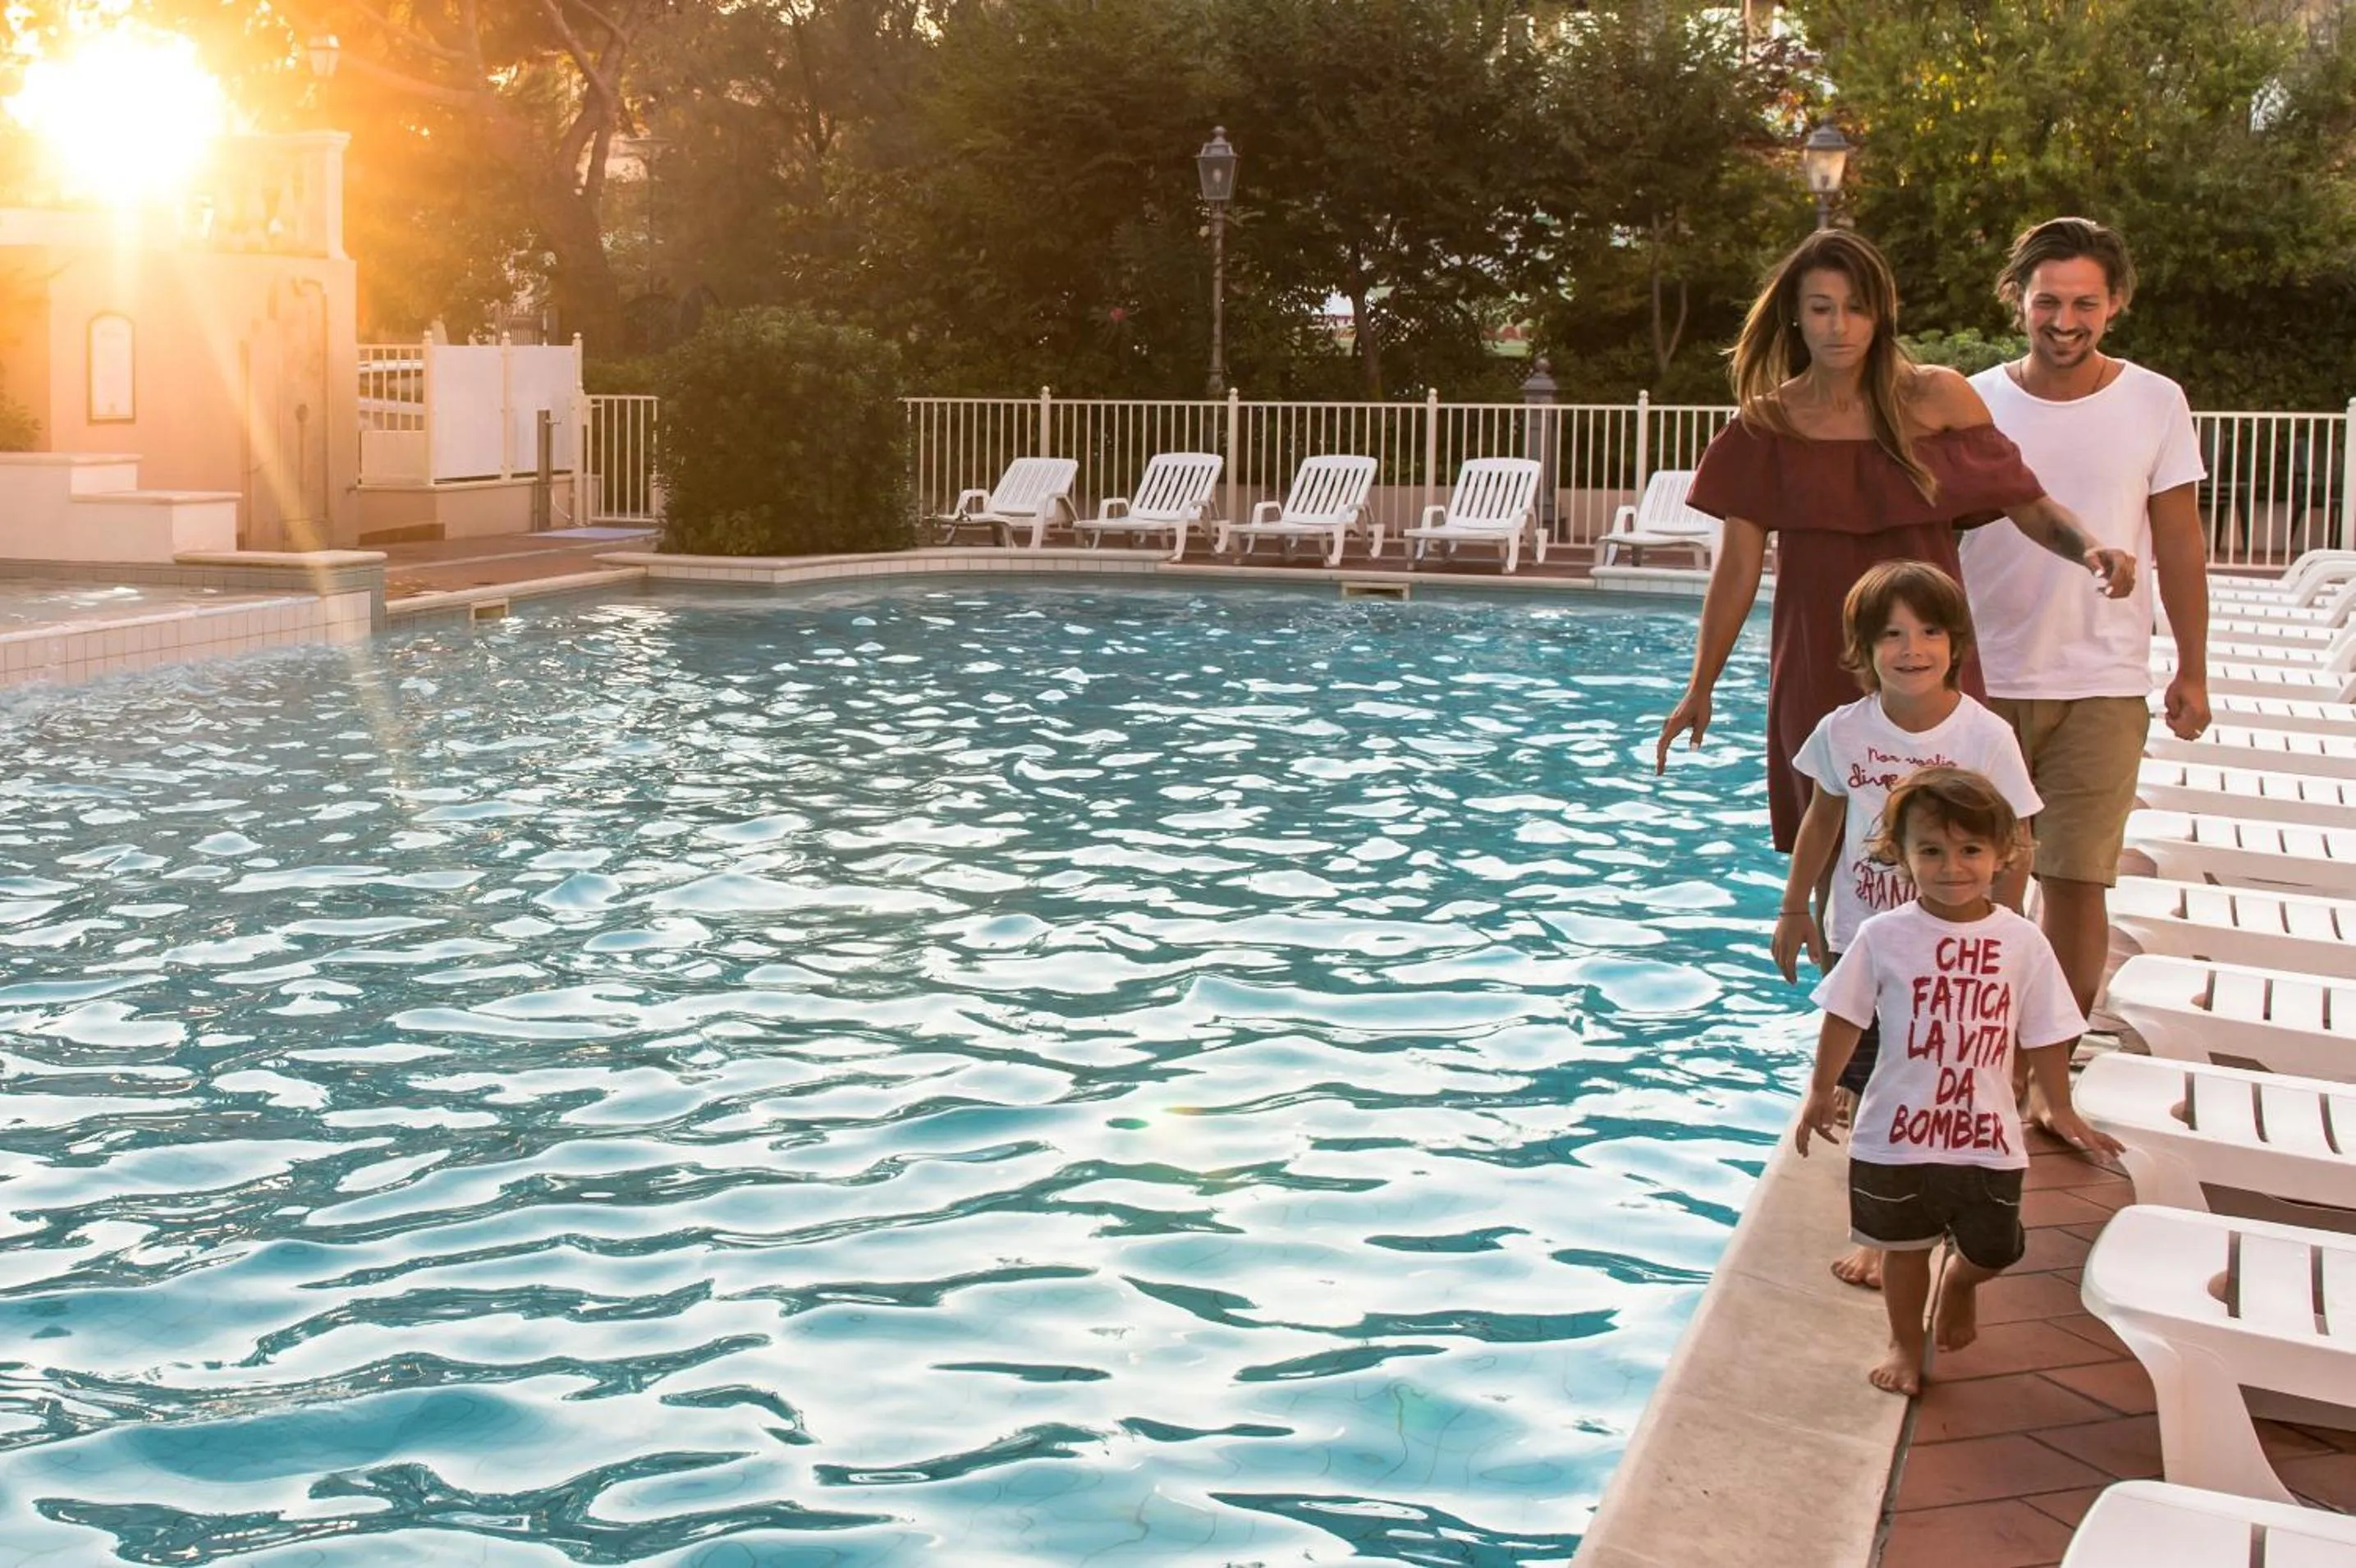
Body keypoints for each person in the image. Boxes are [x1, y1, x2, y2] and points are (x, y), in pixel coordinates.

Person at [1652, 228, 2136, 862]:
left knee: (1956, 841)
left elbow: (2027, 502)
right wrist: (1701, 685)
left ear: (1881, 314)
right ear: (1796, 316)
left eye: (1855, 307)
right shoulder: (1766, 426)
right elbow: (1737, 569)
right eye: (1821, 307)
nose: (1838, 325)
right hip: (1817, 663)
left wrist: (2089, 550)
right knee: (1830, 853)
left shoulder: (1938, 400)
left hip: (1929, 660)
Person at [1794, 767, 2122, 1397]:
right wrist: (1819, 1091)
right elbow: (1845, 1017)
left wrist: (2060, 1105)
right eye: (1931, 851)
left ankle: (1961, 1284)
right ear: (1901, 855)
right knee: (1903, 1249)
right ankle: (1905, 1343)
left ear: (2003, 855)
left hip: (1984, 1133)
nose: (1952, 866)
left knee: (1996, 1249)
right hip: (1896, 1132)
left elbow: (2046, 1030)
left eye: (1971, 850)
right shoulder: (1882, 937)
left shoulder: (2022, 942)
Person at [1959, 217, 2211, 1018]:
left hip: (2100, 682)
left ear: (2114, 304)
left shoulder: (2153, 401)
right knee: (1979, 881)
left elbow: (2178, 542)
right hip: (1978, 679)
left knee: (2074, 882)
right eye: (2046, 301)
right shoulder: (1972, 403)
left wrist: (2192, 668)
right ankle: (1978, 1054)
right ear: (2016, 300)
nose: (2063, 321)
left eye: (2083, 303)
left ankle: (2049, 1071)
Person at [1773, 564, 2045, 1293]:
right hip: (1866, 932)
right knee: (1868, 1079)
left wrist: (2002, 931)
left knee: (1931, 1073)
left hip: (1956, 946)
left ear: (1956, 644)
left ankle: (1933, 1214)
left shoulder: (1984, 736)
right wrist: (1795, 907)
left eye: (1929, 631)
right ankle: (1884, 1226)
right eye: (1890, 634)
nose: (1911, 648)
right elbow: (1824, 815)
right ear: (1860, 649)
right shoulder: (1844, 730)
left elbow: (2016, 836)